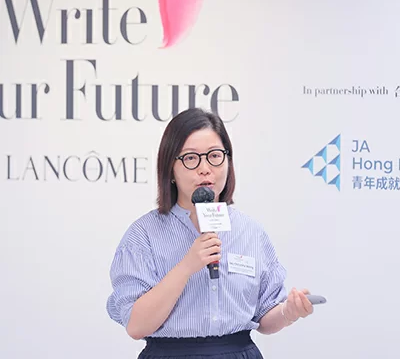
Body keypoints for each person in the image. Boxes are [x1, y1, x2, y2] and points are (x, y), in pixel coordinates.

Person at [106, 108, 314, 358]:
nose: (205, 168)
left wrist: (288, 312)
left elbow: (264, 317)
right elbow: (136, 326)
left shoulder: (250, 232)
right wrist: (186, 267)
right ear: (170, 168)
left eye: (214, 156)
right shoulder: (143, 235)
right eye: (191, 158)